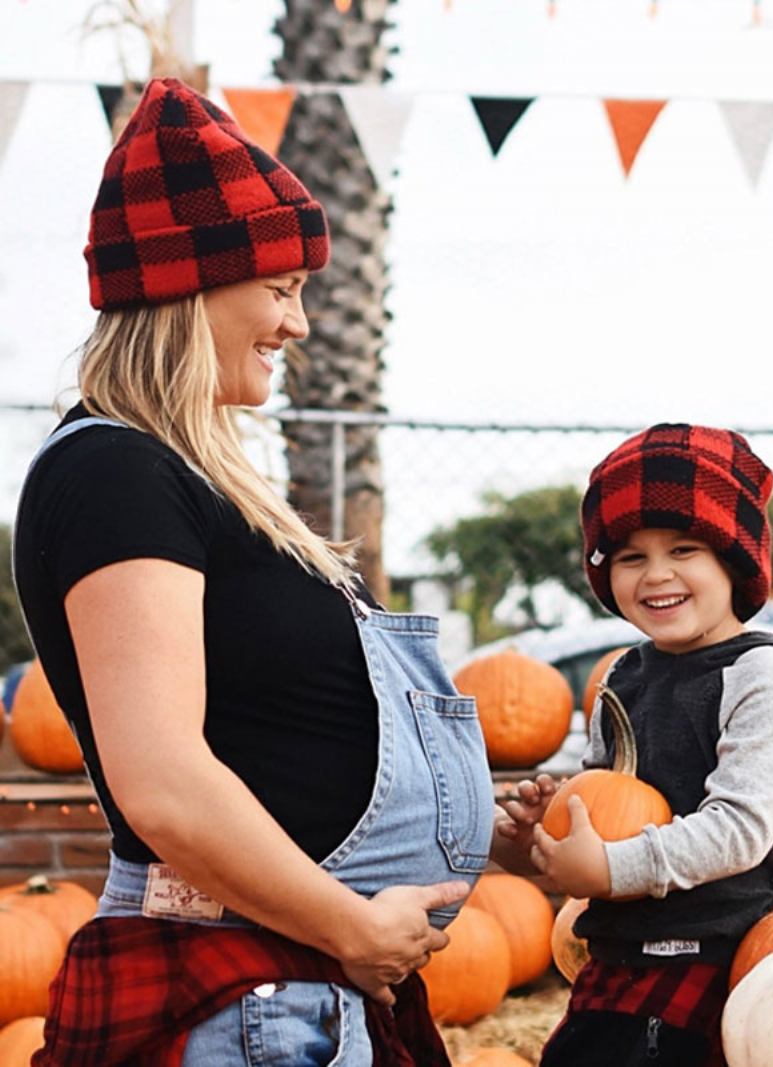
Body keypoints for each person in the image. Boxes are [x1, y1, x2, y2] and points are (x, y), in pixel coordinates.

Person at [13, 77, 506, 1066]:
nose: (298, 325)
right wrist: (348, 923)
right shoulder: (115, 471)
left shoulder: (185, 476)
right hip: (245, 996)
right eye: (280, 290)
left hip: (285, 988)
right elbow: (162, 778)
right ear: (190, 284)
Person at [502, 423, 773, 1067]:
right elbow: (600, 802)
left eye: (684, 548)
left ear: (735, 559)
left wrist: (609, 869)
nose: (655, 575)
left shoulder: (764, 674)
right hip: (617, 957)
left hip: (713, 956)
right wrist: (537, 839)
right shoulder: (622, 676)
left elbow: (740, 828)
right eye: (631, 557)